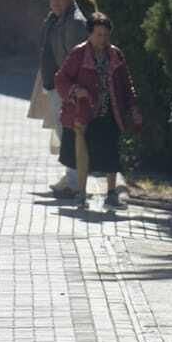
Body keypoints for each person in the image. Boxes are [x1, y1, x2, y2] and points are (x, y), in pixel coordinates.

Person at [54, 12, 141, 209]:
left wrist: (133, 106)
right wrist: (77, 91)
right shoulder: (78, 53)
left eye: (105, 35)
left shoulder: (115, 54)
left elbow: (127, 84)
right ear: (90, 34)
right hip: (85, 112)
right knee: (83, 154)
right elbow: (61, 78)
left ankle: (111, 194)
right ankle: (82, 195)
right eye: (98, 34)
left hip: (110, 111)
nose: (102, 39)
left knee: (111, 153)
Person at [33, 0, 86, 197]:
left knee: (69, 133)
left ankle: (74, 182)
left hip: (66, 89)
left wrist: (71, 90)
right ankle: (71, 176)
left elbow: (75, 59)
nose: (54, 2)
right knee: (63, 132)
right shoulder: (57, 18)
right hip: (56, 85)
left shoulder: (73, 23)